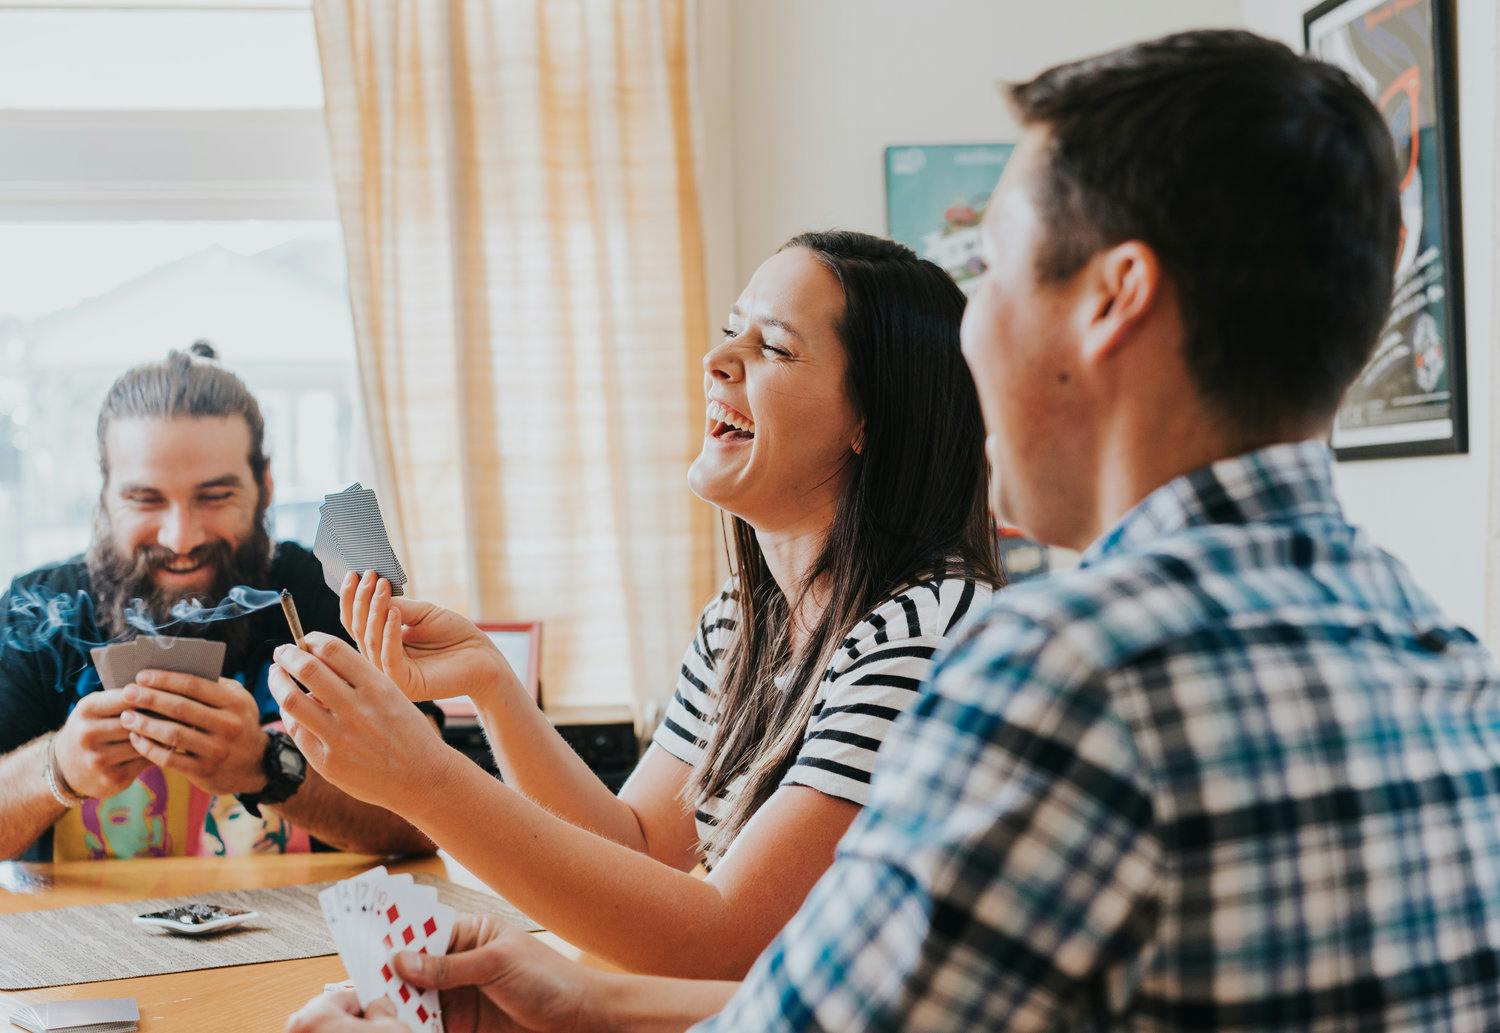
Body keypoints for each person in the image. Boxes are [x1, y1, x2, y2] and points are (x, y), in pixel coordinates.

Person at [290, 27, 1500, 1033]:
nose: (971, 339)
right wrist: (560, 988)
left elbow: (775, 1000)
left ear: (1113, 299)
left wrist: (431, 792)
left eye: (994, 271)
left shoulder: (1058, 669)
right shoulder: (1449, 664)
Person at [269, 229, 1002, 977]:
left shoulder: (928, 631)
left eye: (774, 349)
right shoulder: (741, 621)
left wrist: (421, 778)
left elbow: (725, 938)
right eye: (729, 333)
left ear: (870, 423)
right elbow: (638, 846)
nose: (717, 362)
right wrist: (490, 680)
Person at [0, 344, 438, 861]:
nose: (181, 538)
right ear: (104, 497)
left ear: (265, 486)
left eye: (214, 496)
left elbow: (429, 825)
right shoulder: (40, 608)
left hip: (305, 940)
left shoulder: (324, 599)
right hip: (81, 941)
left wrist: (267, 766)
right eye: (146, 498)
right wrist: (57, 769)